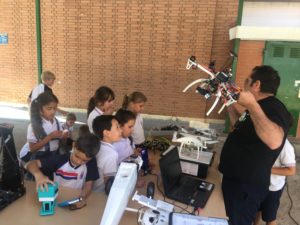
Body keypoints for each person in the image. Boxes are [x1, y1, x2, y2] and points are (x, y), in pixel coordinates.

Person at [218, 65, 292, 225]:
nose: (244, 84)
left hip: (245, 187)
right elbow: (238, 125)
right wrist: (229, 104)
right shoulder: (258, 108)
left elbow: (274, 140)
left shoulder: (274, 108)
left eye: (247, 81)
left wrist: (251, 105)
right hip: (236, 181)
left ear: (256, 84)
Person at [25, 132, 100, 209]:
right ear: (73, 145)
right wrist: (39, 176)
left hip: (75, 196)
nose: (79, 162)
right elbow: (29, 164)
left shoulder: (91, 162)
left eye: (84, 160)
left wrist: (82, 197)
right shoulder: (60, 159)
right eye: (77, 156)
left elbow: (89, 184)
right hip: (58, 197)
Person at [254, 139, 296, 225]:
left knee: (270, 217)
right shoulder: (260, 138)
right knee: (256, 210)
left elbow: (291, 171)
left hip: (272, 188)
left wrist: (266, 170)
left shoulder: (285, 146)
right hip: (258, 183)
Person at [20, 92, 68, 163]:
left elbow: (62, 142)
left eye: (55, 108)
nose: (53, 111)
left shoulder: (57, 122)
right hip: (38, 157)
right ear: (40, 110)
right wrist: (50, 137)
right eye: (49, 108)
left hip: (53, 155)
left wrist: (64, 136)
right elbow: (32, 149)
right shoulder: (34, 126)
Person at [122, 91, 150, 174]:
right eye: (140, 106)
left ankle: (145, 168)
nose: (142, 108)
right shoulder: (127, 117)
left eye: (143, 106)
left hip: (142, 143)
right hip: (135, 146)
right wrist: (133, 148)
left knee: (144, 162)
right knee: (136, 165)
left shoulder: (138, 115)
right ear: (131, 104)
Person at [92, 115, 122, 192]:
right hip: (100, 194)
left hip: (92, 190)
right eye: (117, 127)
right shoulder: (111, 154)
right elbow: (108, 182)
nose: (121, 130)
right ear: (106, 133)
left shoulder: (97, 145)